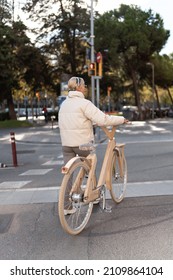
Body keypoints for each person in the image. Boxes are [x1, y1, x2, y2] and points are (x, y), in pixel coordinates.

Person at [59, 76, 129, 165]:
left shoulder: (64, 104)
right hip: (82, 144)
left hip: (66, 144)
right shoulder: (84, 103)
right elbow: (103, 120)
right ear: (79, 87)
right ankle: (90, 177)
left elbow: (75, 119)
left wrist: (92, 122)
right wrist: (121, 119)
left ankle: (69, 179)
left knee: (68, 171)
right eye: (84, 86)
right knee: (91, 166)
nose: (85, 88)